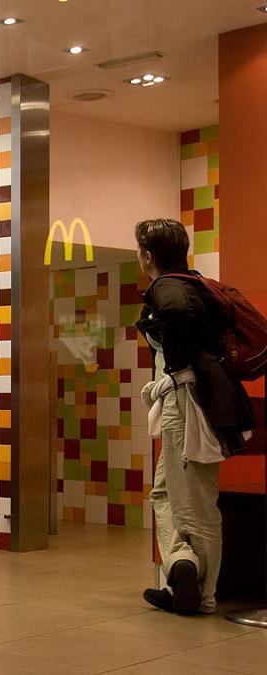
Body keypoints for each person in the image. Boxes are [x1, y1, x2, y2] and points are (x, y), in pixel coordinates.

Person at [135, 218, 254, 615]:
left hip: (186, 404)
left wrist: (177, 368)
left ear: (148, 255)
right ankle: (181, 565)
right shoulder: (196, 283)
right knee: (165, 493)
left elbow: (177, 317)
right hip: (193, 400)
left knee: (198, 503)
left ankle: (201, 595)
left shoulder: (168, 288)